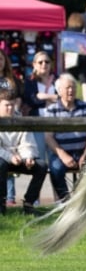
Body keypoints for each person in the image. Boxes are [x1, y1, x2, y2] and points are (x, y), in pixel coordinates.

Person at [43, 73, 86, 201]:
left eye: (73, 87)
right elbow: (48, 137)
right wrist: (63, 155)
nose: (71, 90)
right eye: (67, 88)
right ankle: (65, 202)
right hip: (61, 152)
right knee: (55, 169)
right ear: (59, 91)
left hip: (83, 151)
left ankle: (85, 201)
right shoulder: (51, 110)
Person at [0, 89, 47, 215]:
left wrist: (28, 157)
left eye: (12, 104)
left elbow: (27, 142)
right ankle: (1, 204)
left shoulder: (20, 119)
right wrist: (11, 157)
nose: (10, 108)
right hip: (3, 158)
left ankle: (29, 204)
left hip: (19, 158)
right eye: (6, 105)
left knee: (42, 166)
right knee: (1, 164)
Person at [21, 51, 58, 161]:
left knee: (55, 161)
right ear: (34, 64)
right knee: (40, 160)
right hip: (37, 124)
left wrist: (42, 96)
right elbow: (31, 100)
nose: (44, 64)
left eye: (47, 62)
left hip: (57, 124)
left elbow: (62, 99)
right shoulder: (29, 81)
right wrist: (50, 98)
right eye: (40, 62)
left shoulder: (57, 80)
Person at [1, 49, 25, 207]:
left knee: (11, 151)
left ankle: (10, 197)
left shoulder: (11, 80)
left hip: (10, 117)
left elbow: (18, 98)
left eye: (1, 59)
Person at [64, 11, 86, 102]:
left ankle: (69, 98)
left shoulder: (67, 31)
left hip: (70, 58)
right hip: (83, 57)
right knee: (84, 81)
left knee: (69, 79)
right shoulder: (84, 30)